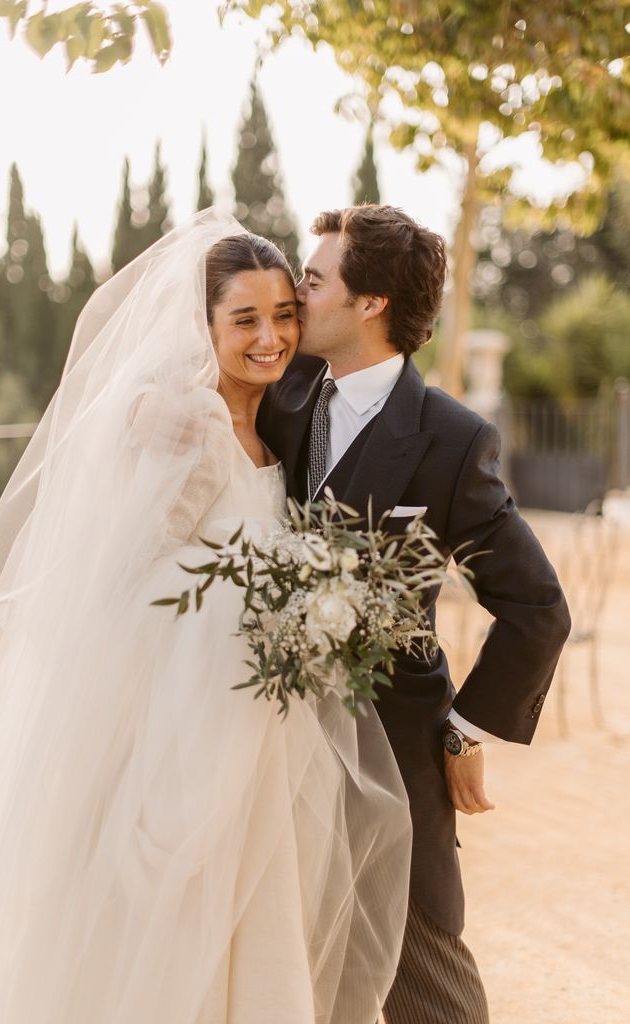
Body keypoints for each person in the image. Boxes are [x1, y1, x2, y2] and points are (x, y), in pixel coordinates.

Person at [0, 210, 412, 1024]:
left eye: (283, 315)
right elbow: (126, 585)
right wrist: (275, 598)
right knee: (169, 933)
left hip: (255, 729)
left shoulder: (273, 416)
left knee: (253, 921)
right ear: (200, 327)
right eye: (244, 320)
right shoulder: (182, 421)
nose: (269, 337)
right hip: (177, 731)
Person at [258, 204, 572, 1024]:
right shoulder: (276, 391)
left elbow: (538, 608)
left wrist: (463, 732)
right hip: (260, 747)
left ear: (370, 304)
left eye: (316, 278)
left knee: (428, 987)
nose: (297, 291)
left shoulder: (451, 439)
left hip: (395, 751)